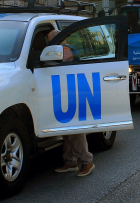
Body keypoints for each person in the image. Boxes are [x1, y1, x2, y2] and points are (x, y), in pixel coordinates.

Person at [47, 29, 95, 177]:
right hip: (65, 92)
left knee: (75, 130)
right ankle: (70, 162)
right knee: (67, 131)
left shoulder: (65, 50)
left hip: (72, 91)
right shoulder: (65, 49)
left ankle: (87, 161)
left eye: (50, 40)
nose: (48, 43)